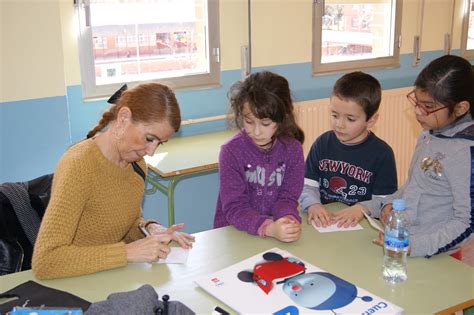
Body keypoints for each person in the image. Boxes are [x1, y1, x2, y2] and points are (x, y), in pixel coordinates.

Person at [32, 83, 195, 279]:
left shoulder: (137, 165)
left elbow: (122, 224)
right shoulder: (79, 165)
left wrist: (149, 229)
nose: (151, 152)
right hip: (74, 283)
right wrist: (127, 253)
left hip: (110, 277)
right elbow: (46, 261)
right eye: (149, 138)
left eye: (160, 143)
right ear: (124, 118)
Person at [366, 55, 473, 257]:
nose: (418, 111)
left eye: (429, 106)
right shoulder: (428, 134)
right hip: (407, 241)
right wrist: (389, 204)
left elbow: (467, 223)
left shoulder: (465, 152)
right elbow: (414, 187)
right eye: (416, 100)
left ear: (460, 108)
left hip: (441, 255)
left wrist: (415, 245)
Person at [213, 71, 305, 242]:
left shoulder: (293, 149)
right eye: (249, 122)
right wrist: (269, 227)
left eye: (265, 124)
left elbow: (288, 197)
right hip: (235, 234)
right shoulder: (231, 151)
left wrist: (287, 220)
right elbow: (235, 207)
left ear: (283, 118)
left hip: (272, 234)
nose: (256, 131)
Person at [299, 71, 398, 228]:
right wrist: (313, 204)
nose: (339, 124)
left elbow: (385, 202)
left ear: (371, 119)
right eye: (334, 115)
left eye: (350, 119)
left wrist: (362, 208)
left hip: (362, 226)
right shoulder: (322, 144)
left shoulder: (382, 154)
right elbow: (306, 185)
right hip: (325, 223)